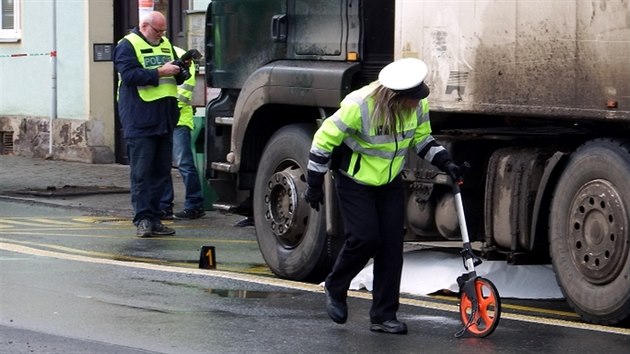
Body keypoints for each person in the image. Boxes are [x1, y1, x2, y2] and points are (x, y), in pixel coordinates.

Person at [304, 58, 461, 334]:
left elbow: (422, 140)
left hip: (389, 182)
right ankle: (336, 285)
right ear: (395, 97)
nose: (418, 103)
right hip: (355, 181)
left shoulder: (416, 105)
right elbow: (323, 139)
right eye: (412, 99)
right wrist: (314, 183)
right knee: (364, 238)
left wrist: (445, 161)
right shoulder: (359, 105)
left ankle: (383, 316)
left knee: (391, 247)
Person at [114, 11, 185, 237]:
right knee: (142, 174)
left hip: (164, 118)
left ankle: (155, 218)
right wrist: (160, 72)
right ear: (144, 26)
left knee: (161, 173)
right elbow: (130, 76)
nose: (162, 35)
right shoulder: (127, 45)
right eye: (158, 30)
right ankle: (143, 219)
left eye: (164, 31)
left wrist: (180, 68)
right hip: (140, 118)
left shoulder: (165, 44)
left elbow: (178, 77)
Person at [159, 46, 206, 220]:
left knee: (183, 164)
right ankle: (168, 206)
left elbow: (184, 90)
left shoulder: (178, 55)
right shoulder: (173, 53)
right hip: (168, 117)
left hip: (177, 118)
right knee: (169, 164)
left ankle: (194, 204)